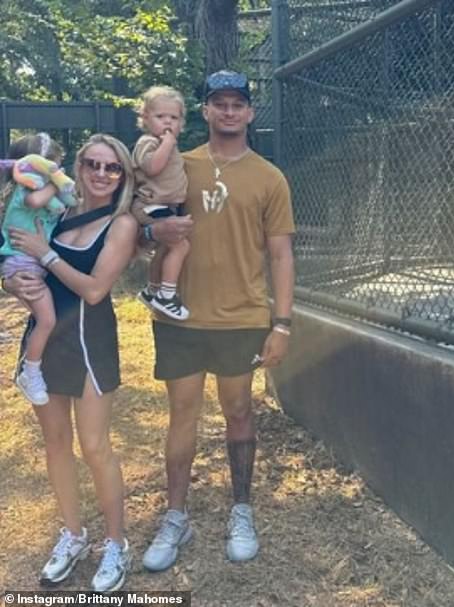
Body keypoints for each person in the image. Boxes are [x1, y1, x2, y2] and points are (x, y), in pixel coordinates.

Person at [142, 69, 295, 571]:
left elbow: (281, 255)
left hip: (242, 317)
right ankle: (175, 516)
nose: (229, 111)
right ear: (204, 111)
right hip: (180, 317)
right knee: (181, 415)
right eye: (218, 103)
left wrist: (282, 322)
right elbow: (141, 228)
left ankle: (242, 510)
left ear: (250, 112)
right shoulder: (177, 167)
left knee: (239, 413)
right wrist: (154, 233)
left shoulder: (270, 177)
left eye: (237, 104)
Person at [4, 134, 138, 592]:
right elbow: (23, 265)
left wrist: (46, 252)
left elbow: (95, 289)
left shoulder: (122, 225)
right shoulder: (57, 211)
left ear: (123, 175)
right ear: (78, 168)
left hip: (89, 341)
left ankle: (116, 544)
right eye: (93, 165)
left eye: (112, 168)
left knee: (96, 446)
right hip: (45, 340)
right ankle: (74, 534)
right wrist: (15, 285)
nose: (102, 174)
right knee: (56, 444)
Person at [0, 134, 78, 405]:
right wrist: (57, 181)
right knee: (46, 320)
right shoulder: (26, 192)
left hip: (34, 264)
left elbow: (68, 204)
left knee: (46, 320)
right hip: (23, 264)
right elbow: (37, 202)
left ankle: (32, 368)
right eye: (48, 167)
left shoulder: (46, 195)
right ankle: (29, 371)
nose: (54, 173)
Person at [131, 86, 190, 321]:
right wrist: (167, 144)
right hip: (150, 205)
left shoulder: (165, 143)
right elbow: (152, 167)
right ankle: (166, 295)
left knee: (167, 247)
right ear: (146, 118)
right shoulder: (148, 142)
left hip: (165, 206)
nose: (168, 122)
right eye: (160, 116)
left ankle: (151, 290)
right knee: (181, 245)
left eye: (173, 118)